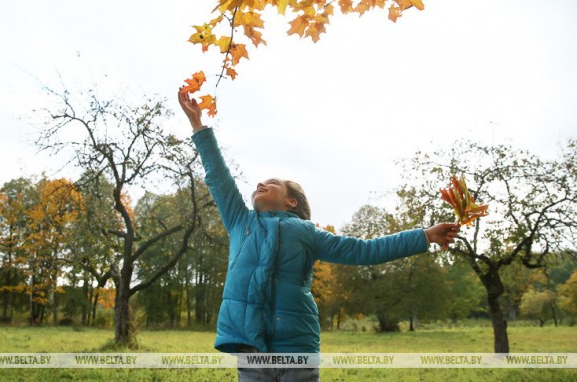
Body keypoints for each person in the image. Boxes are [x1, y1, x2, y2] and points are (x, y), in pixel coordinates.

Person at [178, 89, 460, 382]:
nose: (260, 183)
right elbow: (218, 178)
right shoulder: (240, 221)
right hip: (250, 346)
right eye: (260, 182)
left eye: (272, 183)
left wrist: (424, 235)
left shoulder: (306, 233)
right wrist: (198, 126)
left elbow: (365, 250)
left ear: (292, 202)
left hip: (297, 347)